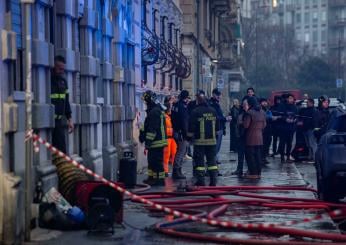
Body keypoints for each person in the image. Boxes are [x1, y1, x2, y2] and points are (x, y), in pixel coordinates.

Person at [187, 90, 219, 186]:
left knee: (199, 162)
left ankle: (201, 181)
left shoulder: (195, 111)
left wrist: (188, 138)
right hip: (212, 141)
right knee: (212, 162)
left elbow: (191, 127)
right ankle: (213, 181)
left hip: (199, 142)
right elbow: (217, 127)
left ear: (198, 101)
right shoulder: (213, 111)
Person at [139, 90, 167, 186]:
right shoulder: (154, 110)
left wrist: (148, 142)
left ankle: (160, 180)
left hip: (156, 142)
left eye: (146, 101)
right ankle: (152, 178)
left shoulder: (154, 112)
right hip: (156, 141)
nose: (145, 103)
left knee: (157, 162)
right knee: (151, 161)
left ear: (149, 101)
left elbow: (152, 130)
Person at [51, 55, 74, 153]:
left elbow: (66, 101)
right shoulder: (48, 80)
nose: (62, 71)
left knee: (61, 150)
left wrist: (69, 119)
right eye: (60, 69)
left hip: (58, 122)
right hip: (48, 122)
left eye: (63, 69)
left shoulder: (63, 81)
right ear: (54, 66)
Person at [243, 96, 266, 179]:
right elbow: (264, 125)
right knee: (258, 156)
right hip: (260, 138)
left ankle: (253, 173)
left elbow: (246, 125)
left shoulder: (249, 113)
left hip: (250, 138)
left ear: (250, 104)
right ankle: (258, 172)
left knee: (250, 156)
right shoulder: (262, 112)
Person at [209, 88, 231, 165]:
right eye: (217, 95)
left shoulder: (216, 103)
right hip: (216, 128)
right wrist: (225, 118)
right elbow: (215, 117)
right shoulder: (212, 104)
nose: (219, 96)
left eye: (220, 95)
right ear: (213, 94)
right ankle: (213, 160)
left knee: (217, 146)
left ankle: (215, 159)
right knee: (215, 146)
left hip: (220, 127)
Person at [171, 90, 190, 179]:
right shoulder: (182, 107)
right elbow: (184, 121)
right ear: (186, 98)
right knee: (181, 151)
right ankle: (177, 171)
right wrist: (186, 133)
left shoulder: (175, 105)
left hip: (175, 130)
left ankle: (177, 170)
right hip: (181, 132)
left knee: (180, 150)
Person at [277, 93, 298, 163]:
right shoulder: (282, 106)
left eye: (292, 98)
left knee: (290, 143)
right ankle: (282, 156)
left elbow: (297, 116)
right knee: (282, 143)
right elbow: (279, 115)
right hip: (283, 128)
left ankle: (288, 156)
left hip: (291, 128)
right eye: (289, 98)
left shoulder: (295, 107)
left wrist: (295, 120)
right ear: (287, 99)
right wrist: (285, 119)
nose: (291, 100)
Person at [231, 99, 249, 177]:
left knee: (248, 155)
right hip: (241, 137)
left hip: (247, 137)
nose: (244, 106)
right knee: (240, 155)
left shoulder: (249, 113)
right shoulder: (241, 112)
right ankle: (239, 169)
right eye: (243, 105)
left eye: (246, 105)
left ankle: (248, 170)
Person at [162, 96, 177, 177]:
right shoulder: (164, 116)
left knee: (174, 153)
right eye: (170, 107)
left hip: (172, 138)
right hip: (167, 138)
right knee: (166, 155)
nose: (172, 108)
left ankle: (175, 170)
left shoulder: (171, 116)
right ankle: (165, 171)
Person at [259, 98, 272, 165]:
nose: (265, 103)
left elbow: (270, 117)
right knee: (262, 144)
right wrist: (269, 117)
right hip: (262, 130)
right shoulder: (260, 110)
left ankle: (264, 157)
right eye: (263, 102)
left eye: (265, 102)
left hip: (268, 129)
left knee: (268, 143)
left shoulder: (268, 110)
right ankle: (261, 158)